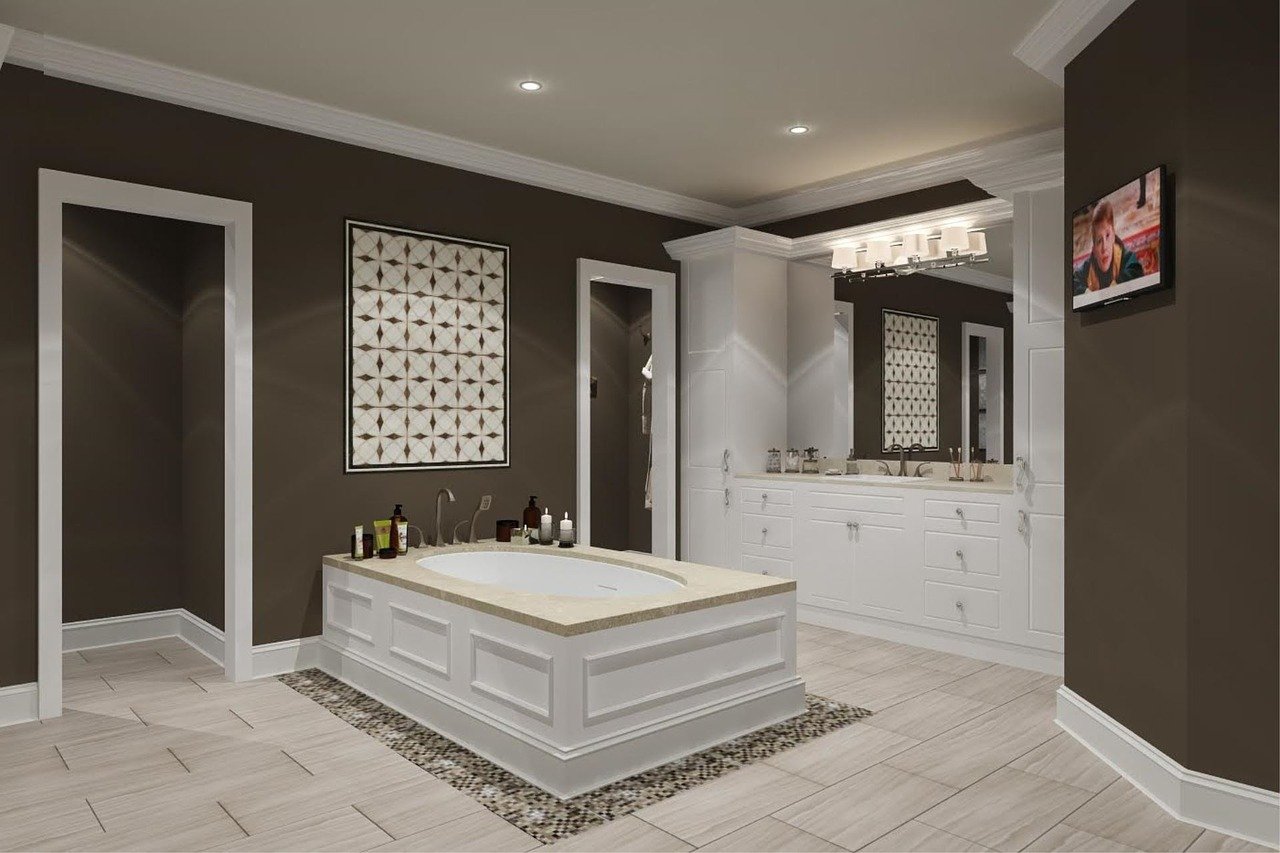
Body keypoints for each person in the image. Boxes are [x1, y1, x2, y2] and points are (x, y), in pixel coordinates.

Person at [1072, 200, 1145, 295]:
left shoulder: (1126, 256)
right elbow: (1073, 282)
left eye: (1107, 236)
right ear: (1094, 249)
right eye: (1099, 241)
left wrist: (1115, 288)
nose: (1104, 247)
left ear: (1114, 235)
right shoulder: (1088, 266)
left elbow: (1136, 272)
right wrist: (1086, 293)